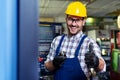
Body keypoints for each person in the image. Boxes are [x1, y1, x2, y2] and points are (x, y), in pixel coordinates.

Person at [44, 1, 106, 80]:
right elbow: (47, 66)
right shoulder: (56, 41)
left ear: (83, 22)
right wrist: (54, 63)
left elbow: (102, 67)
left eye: (78, 20)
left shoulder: (89, 43)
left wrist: (96, 62)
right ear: (66, 19)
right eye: (71, 19)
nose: (73, 24)